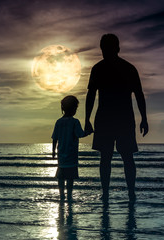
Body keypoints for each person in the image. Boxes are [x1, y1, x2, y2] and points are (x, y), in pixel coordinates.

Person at [85, 33, 149, 202]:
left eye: (106, 49)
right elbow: (139, 95)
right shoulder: (127, 68)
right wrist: (143, 118)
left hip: (112, 119)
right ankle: (125, 193)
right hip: (120, 118)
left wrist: (144, 118)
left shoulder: (100, 68)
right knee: (123, 157)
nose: (105, 52)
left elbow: (139, 94)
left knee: (111, 158)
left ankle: (114, 193)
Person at [52, 95, 85, 201]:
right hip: (72, 156)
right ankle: (69, 197)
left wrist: (53, 151)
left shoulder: (59, 122)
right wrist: (88, 132)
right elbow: (80, 134)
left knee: (61, 177)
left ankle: (61, 196)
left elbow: (54, 138)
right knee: (70, 179)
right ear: (74, 108)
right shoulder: (75, 122)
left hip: (61, 156)